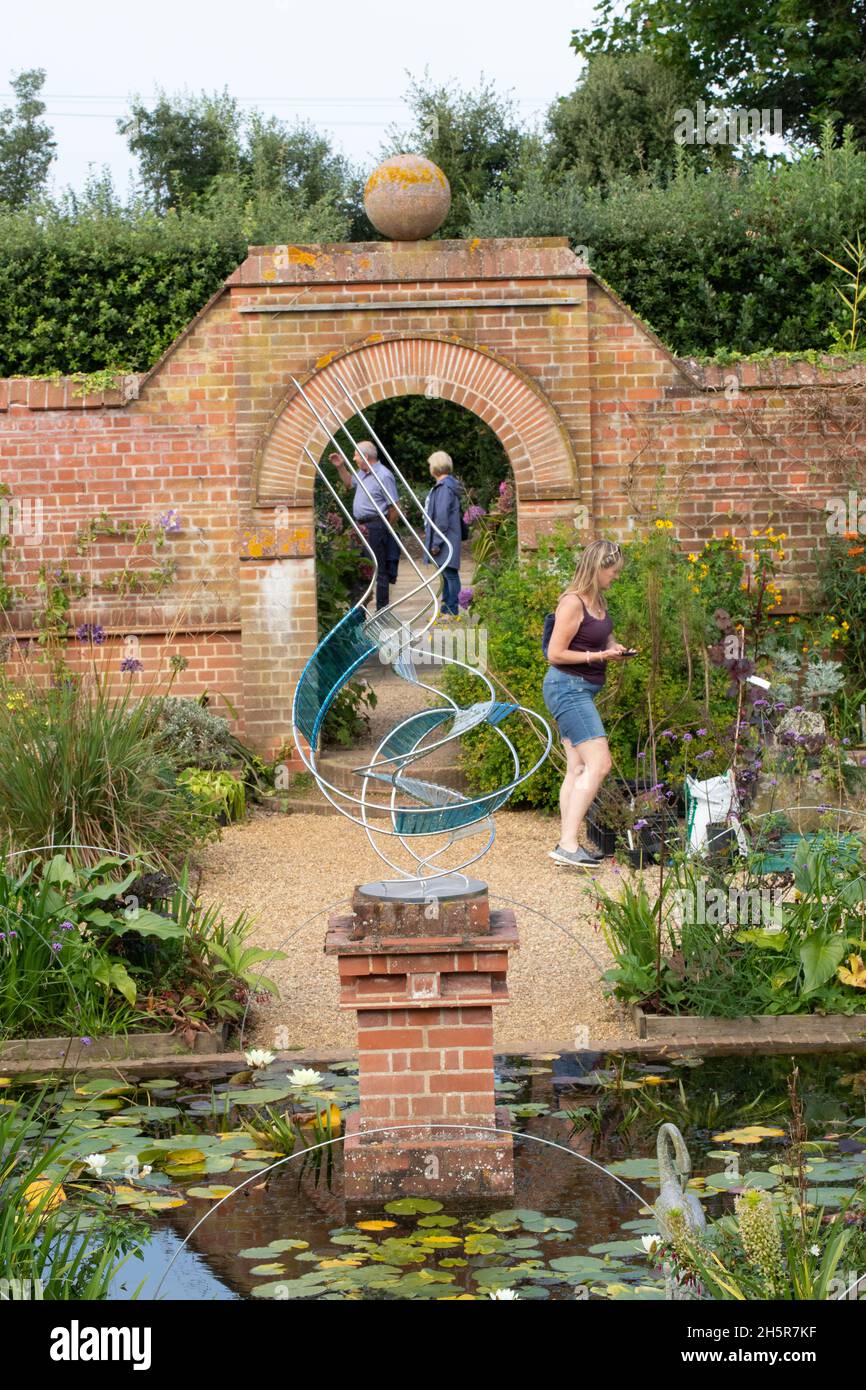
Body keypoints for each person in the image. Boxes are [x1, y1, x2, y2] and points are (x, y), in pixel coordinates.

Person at [542, 539, 630, 868]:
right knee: (600, 764)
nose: (616, 576)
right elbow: (555, 653)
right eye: (613, 571)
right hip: (568, 688)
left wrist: (614, 647)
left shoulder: (598, 600)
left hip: (582, 688)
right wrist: (597, 656)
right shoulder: (572, 603)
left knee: (577, 767)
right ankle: (567, 844)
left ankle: (566, 844)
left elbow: (604, 636)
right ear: (597, 568)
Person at [329, 441, 399, 611]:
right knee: (360, 567)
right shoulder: (362, 472)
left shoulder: (384, 475)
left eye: (356, 455)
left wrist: (385, 528)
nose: (354, 458)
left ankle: (382, 612)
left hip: (376, 525)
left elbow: (394, 507)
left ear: (366, 457)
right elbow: (348, 483)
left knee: (378, 570)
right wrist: (340, 467)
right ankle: (359, 610)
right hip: (360, 527)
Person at [423, 450, 463, 617]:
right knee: (447, 574)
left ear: (435, 467)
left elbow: (441, 517)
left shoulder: (444, 488)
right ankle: (447, 609)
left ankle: (452, 610)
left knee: (450, 574)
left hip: (446, 538)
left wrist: (436, 543)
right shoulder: (447, 486)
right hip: (449, 536)